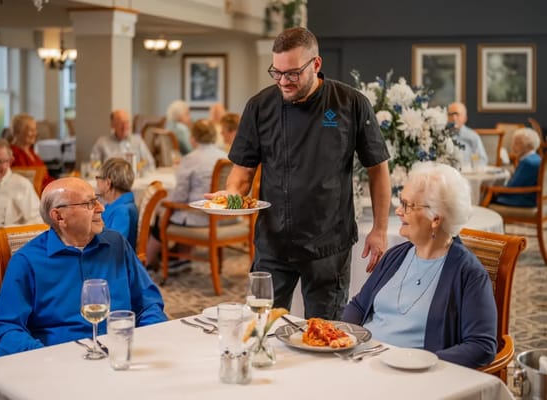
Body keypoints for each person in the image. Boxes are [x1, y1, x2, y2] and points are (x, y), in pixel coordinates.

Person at [207, 27, 391, 320]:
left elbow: (378, 168)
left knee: (322, 332)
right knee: (260, 327)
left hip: (328, 244)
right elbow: (241, 175)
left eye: (292, 73)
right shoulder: (259, 106)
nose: (283, 81)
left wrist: (380, 229)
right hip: (273, 244)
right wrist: (229, 197)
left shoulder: (350, 103)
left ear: (316, 65)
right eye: (276, 73)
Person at [0, 177, 167, 356]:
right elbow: (6, 330)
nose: (101, 208)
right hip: (60, 363)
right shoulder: (27, 261)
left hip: (122, 353)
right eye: (89, 204)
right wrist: (45, 358)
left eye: (97, 199)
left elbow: (149, 304)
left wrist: (148, 340)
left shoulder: (116, 244)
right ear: (59, 216)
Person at [342, 162, 497, 368]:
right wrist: (344, 339)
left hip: (414, 377)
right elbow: (359, 306)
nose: (398, 211)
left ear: (435, 219)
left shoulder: (468, 273)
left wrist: (421, 362)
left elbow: (482, 346)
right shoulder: (395, 256)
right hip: (361, 361)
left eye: (407, 205)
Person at [144, 119, 228, 271]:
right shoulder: (225, 156)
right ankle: (181, 258)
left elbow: (179, 197)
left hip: (198, 217)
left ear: (193, 137)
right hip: (218, 217)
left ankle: (147, 262)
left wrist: (163, 205)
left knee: (162, 214)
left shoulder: (191, 159)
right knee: (179, 210)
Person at [90, 109, 156, 172]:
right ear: (112, 125)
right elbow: (93, 166)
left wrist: (140, 171)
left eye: (127, 122)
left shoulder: (138, 141)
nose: (124, 126)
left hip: (136, 180)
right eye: (120, 123)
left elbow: (151, 164)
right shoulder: (102, 142)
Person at [493, 127, 542, 207]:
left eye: (517, 143)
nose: (512, 147)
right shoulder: (537, 158)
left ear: (528, 146)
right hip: (535, 200)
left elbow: (513, 187)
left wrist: (495, 190)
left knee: (486, 195)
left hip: (523, 201)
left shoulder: (527, 162)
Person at [97, 157, 138, 248]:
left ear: (108, 183)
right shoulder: (116, 205)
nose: (97, 182)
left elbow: (114, 246)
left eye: (98, 178)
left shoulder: (121, 211)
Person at [10, 113, 55, 190]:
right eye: (31, 130)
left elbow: (44, 178)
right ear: (18, 132)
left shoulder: (32, 152)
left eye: (35, 129)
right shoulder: (12, 154)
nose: (35, 133)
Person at [447, 102, 489, 168]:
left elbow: (482, 160)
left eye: (457, 114)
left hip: (468, 174)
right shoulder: (441, 136)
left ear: (465, 118)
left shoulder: (472, 136)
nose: (454, 118)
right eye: (450, 114)